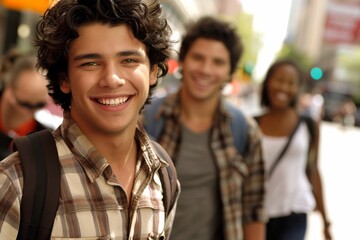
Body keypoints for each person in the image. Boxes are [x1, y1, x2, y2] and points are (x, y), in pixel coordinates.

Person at [0, 0, 180, 239]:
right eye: (91, 63)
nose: (112, 79)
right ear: (64, 79)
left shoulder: (163, 177)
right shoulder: (16, 182)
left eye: (129, 60)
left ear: (153, 71)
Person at [142, 16, 266, 240]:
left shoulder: (245, 131)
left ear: (229, 72)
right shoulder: (147, 118)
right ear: (183, 61)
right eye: (198, 58)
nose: (206, 69)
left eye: (218, 62)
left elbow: (253, 211)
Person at [256, 59, 332, 240]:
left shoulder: (309, 125)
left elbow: (313, 170)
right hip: (257, 214)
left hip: (295, 212)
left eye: (291, 83)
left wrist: (325, 222)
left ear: (298, 88)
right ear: (268, 83)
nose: (283, 87)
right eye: (279, 80)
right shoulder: (252, 125)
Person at [0, 51, 50, 159]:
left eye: (40, 104)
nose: (32, 111)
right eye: (25, 104)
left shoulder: (42, 138)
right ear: (9, 90)